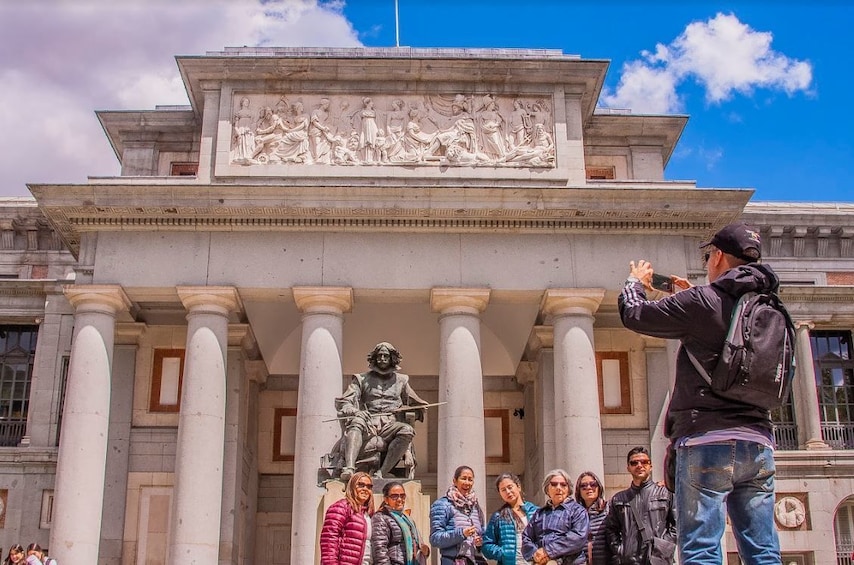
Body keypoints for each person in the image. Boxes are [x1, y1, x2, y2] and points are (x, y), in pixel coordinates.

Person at [618, 222, 781, 565]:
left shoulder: (702, 302)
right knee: (763, 549)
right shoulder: (770, 307)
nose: (708, 262)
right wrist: (691, 296)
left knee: (701, 548)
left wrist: (635, 282)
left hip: (707, 442)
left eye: (709, 255)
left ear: (719, 256)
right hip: (759, 443)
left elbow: (634, 314)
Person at [336, 342, 428, 480]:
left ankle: (382, 473)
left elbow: (416, 403)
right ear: (374, 358)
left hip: (390, 424)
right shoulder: (361, 379)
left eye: (386, 356)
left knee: (407, 430)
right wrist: (355, 411)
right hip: (368, 422)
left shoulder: (402, 380)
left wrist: (416, 408)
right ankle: (349, 468)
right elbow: (345, 401)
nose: (382, 358)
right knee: (356, 422)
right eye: (379, 356)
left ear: (392, 358)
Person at [603, 447, 676, 565]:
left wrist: (663, 547)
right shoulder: (618, 499)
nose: (639, 465)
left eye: (644, 462)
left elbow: (676, 525)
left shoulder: (666, 494)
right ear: (628, 468)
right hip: (629, 560)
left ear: (650, 466)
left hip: (658, 559)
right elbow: (611, 529)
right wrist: (620, 550)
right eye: (634, 463)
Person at [522, 469, 589, 565]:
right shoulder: (539, 514)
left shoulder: (578, 511)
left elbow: (578, 537)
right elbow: (526, 537)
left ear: (568, 489)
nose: (559, 488)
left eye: (563, 485)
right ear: (547, 489)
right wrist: (536, 554)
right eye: (554, 484)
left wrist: (548, 551)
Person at [430, 465, 485, 565]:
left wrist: (480, 542)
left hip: (476, 560)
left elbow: (483, 531)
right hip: (453, 561)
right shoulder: (443, 505)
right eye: (463, 478)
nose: (467, 483)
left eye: (470, 479)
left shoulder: (475, 506)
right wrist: (461, 534)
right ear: (454, 481)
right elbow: (435, 538)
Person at [482, 472, 538, 565]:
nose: (508, 492)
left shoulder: (536, 512)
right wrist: (503, 553)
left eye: (510, 487)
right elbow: (486, 546)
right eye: (503, 490)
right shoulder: (498, 516)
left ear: (518, 487)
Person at [320, 471, 376, 565]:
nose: (365, 489)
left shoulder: (370, 514)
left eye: (369, 486)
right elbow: (329, 541)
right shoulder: (340, 507)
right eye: (361, 485)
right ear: (352, 486)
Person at [372, 481, 430, 565]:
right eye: (394, 496)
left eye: (402, 496)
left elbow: (417, 543)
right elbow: (380, 550)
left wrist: (425, 551)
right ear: (386, 499)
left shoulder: (407, 519)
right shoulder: (380, 518)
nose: (399, 499)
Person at [574, 471, 610, 565]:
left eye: (593, 484)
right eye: (583, 486)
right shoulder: (575, 515)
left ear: (599, 487)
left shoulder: (609, 509)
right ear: (579, 490)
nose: (589, 488)